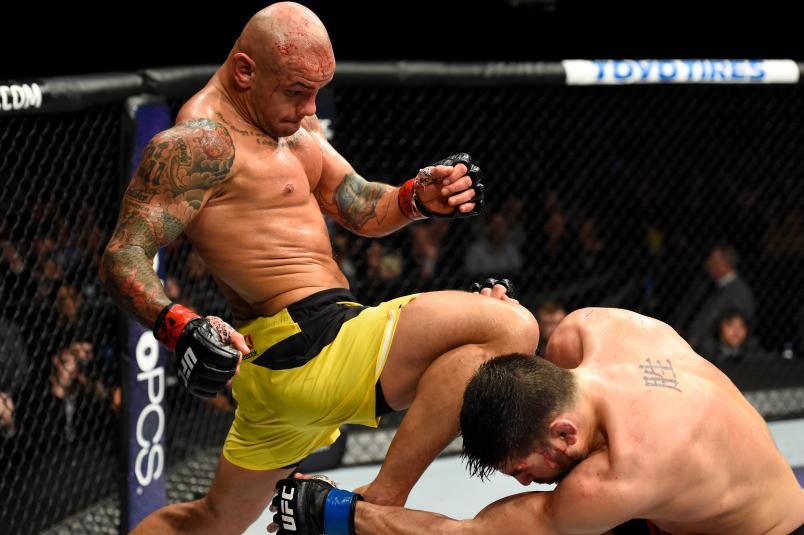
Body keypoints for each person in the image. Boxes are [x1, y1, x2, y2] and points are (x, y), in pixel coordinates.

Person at [99, 3, 539, 533]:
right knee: (510, 325)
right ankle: (380, 501)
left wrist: (416, 198)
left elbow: (355, 204)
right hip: (306, 341)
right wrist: (182, 326)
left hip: (287, 371)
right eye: (296, 91)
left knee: (206, 522)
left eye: (316, 91)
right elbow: (123, 254)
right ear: (245, 70)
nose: (309, 107)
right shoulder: (200, 143)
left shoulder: (292, 124)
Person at [274, 307, 804, 535]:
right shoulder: (590, 331)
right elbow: (524, 376)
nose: (527, 481)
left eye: (525, 471)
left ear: (563, 434)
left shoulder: (621, 475)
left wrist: (337, 513)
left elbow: (476, 533)